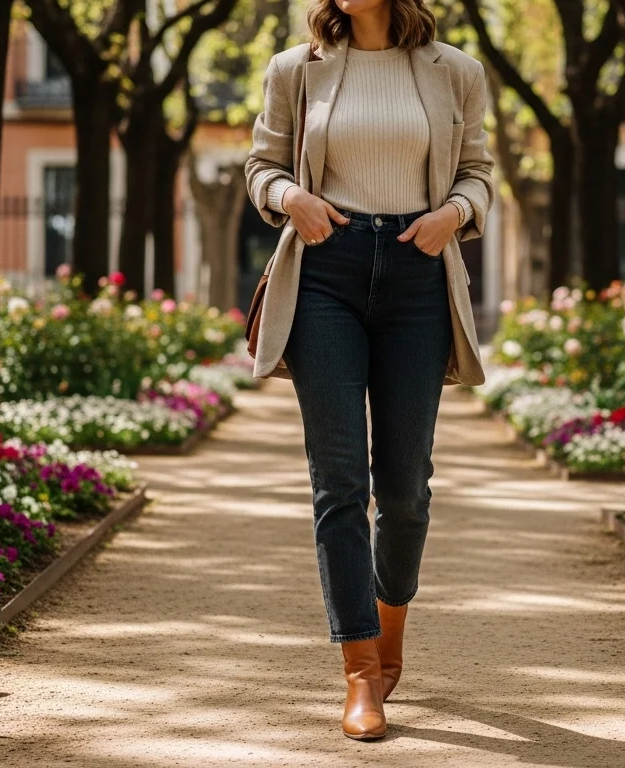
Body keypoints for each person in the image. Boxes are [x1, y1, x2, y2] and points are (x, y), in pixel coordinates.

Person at [244, 0, 494, 742]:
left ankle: (390, 641)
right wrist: (290, 197)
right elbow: (262, 165)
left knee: (407, 488)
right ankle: (359, 674)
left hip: (418, 274)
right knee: (340, 481)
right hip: (326, 271)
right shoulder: (295, 70)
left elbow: (479, 175)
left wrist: (453, 213)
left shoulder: (458, 73)